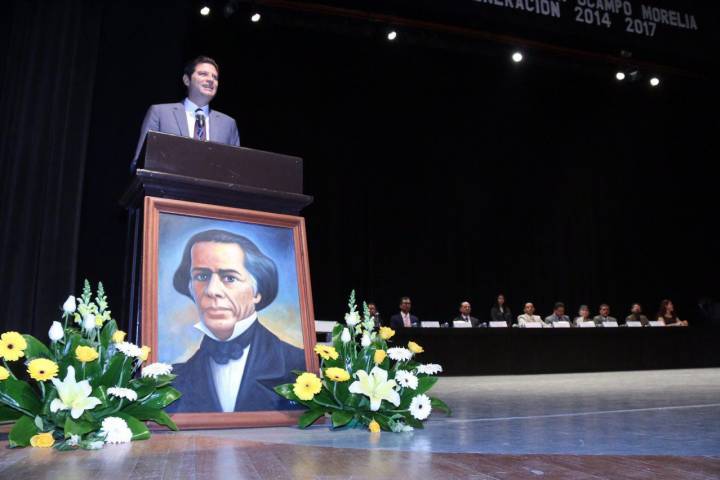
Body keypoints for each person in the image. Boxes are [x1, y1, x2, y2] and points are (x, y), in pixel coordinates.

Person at [167, 229, 305, 413]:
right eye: (202, 276)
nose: (212, 290)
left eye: (229, 278)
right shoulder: (171, 380)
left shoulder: (299, 364)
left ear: (257, 292)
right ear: (191, 288)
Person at [131, 56, 241, 171]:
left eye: (215, 77)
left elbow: (236, 170)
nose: (210, 79)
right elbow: (140, 163)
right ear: (186, 80)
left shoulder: (228, 124)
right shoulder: (160, 113)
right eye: (203, 74)